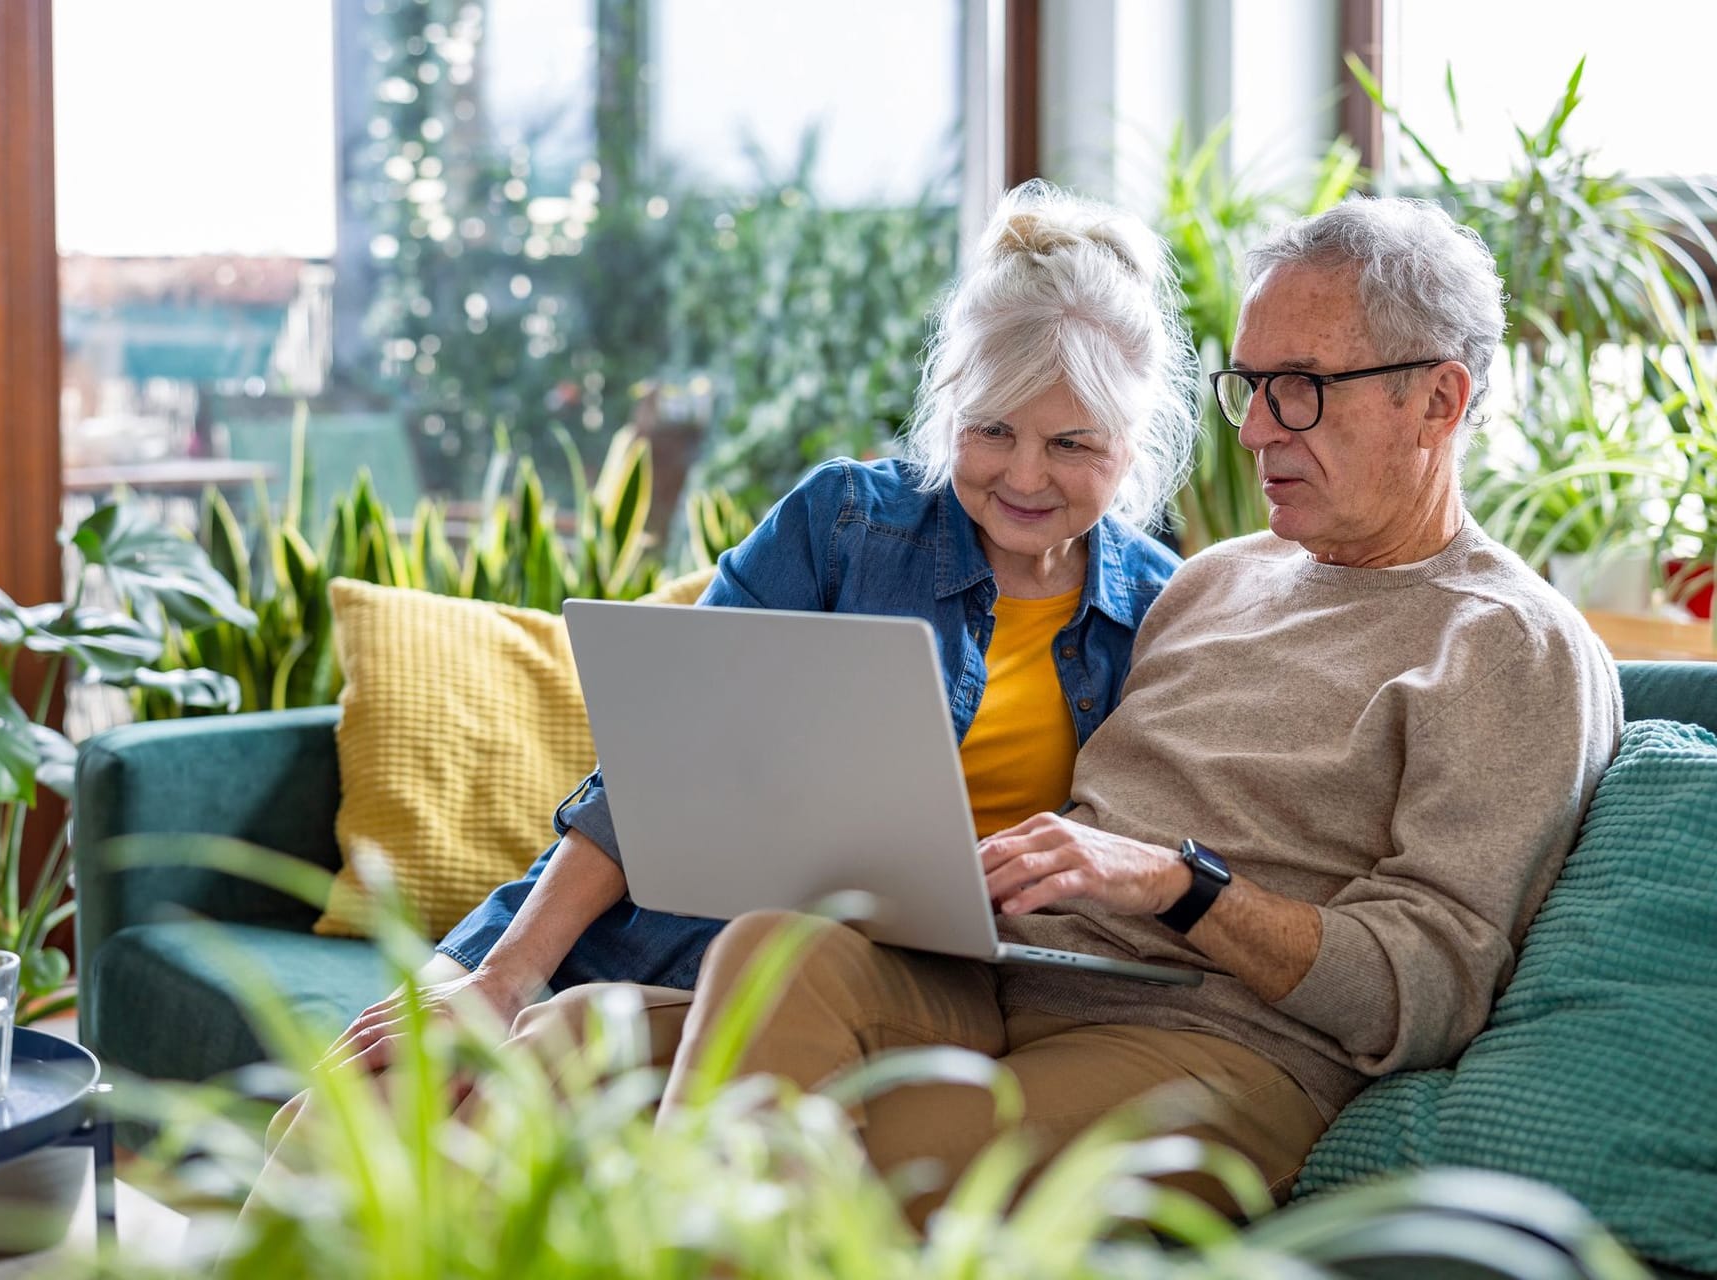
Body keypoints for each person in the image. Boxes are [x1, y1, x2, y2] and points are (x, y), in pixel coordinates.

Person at [498, 195, 1624, 1223]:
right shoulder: (1211, 581)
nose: (1255, 430)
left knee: (827, 1141)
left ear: (1440, 398)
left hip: (1219, 1042)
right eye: (1248, 384)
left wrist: (1183, 885)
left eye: (1303, 388)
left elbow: (1429, 988)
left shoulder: (1511, 645)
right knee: (585, 1030)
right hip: (1009, 979)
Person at [316, 179, 1201, 1079]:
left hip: (876, 985)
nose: (1022, 474)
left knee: (513, 1086)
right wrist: (505, 974)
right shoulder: (846, 523)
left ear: (1132, 444)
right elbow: (659, 761)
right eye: (992, 429)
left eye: (1071, 444)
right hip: (660, 926)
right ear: (950, 412)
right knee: (346, 1105)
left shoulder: (1166, 616)